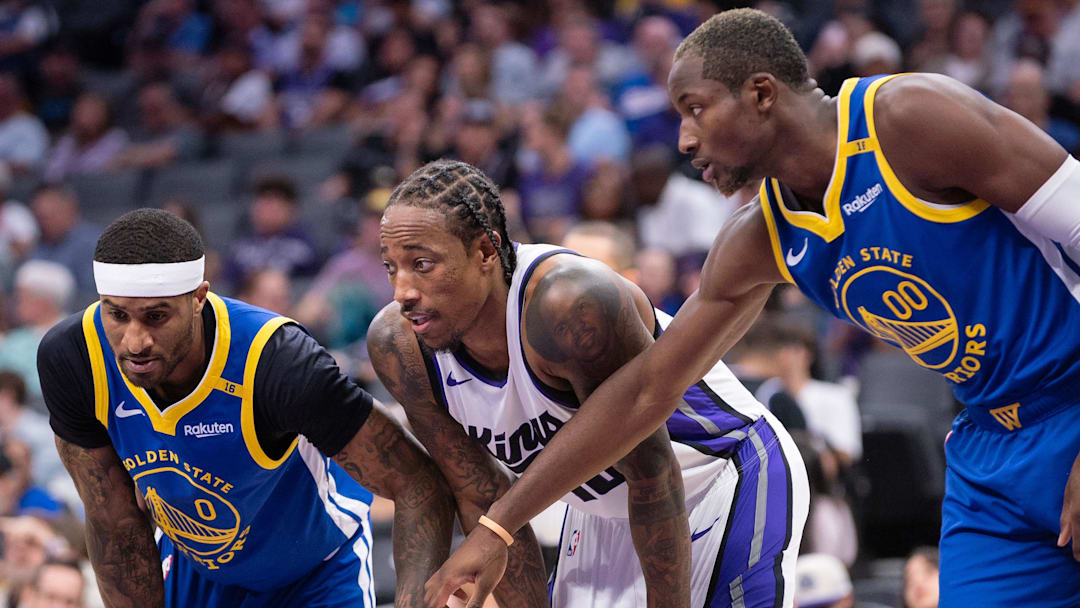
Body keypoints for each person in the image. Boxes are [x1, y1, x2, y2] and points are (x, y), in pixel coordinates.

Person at [427, 8, 1080, 608]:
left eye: (696, 109)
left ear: (762, 95)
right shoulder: (759, 237)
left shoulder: (908, 119)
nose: (684, 139)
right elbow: (646, 392)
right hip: (988, 453)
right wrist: (500, 526)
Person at [375, 160, 807, 608]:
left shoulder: (567, 304)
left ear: (485, 250)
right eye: (391, 267)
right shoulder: (399, 348)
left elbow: (653, 473)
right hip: (599, 510)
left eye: (422, 264)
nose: (402, 291)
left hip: (717, 472)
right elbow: (486, 507)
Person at [37, 209, 455, 607]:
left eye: (156, 316)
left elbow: (417, 484)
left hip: (317, 573)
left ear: (199, 298)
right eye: (117, 315)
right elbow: (115, 523)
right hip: (199, 571)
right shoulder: (74, 358)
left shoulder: (278, 363)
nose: (135, 341)